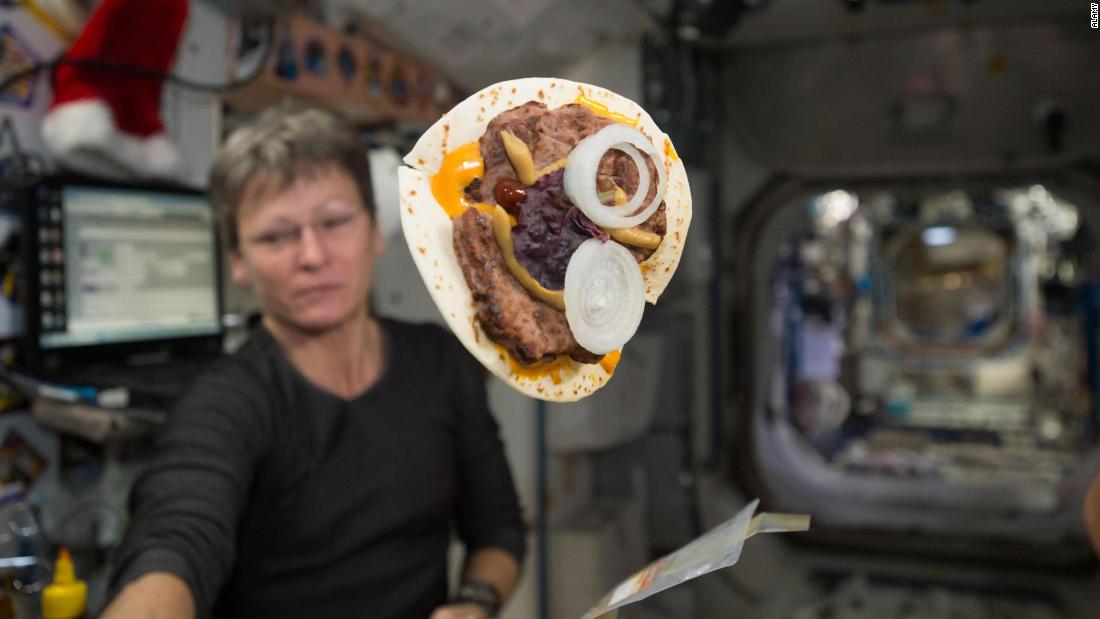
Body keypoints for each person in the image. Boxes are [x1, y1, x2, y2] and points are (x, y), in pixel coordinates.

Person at [100, 105, 526, 619]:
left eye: (334, 221)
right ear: (238, 261)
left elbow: (499, 527)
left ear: (374, 230)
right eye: (276, 235)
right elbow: (175, 535)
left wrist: (476, 604)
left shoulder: (439, 361)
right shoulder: (225, 402)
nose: (312, 255)